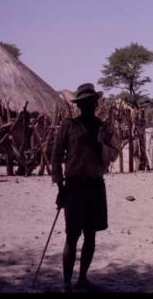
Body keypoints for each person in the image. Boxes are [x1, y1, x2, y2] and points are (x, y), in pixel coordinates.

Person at [52, 83, 118, 293]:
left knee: (91, 234)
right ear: (79, 105)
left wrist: (96, 145)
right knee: (72, 235)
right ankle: (66, 283)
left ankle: (82, 279)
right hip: (73, 187)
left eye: (91, 102)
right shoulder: (69, 126)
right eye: (84, 103)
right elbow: (56, 156)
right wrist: (60, 186)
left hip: (95, 185)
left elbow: (114, 154)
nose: (88, 106)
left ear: (96, 103)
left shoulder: (103, 128)